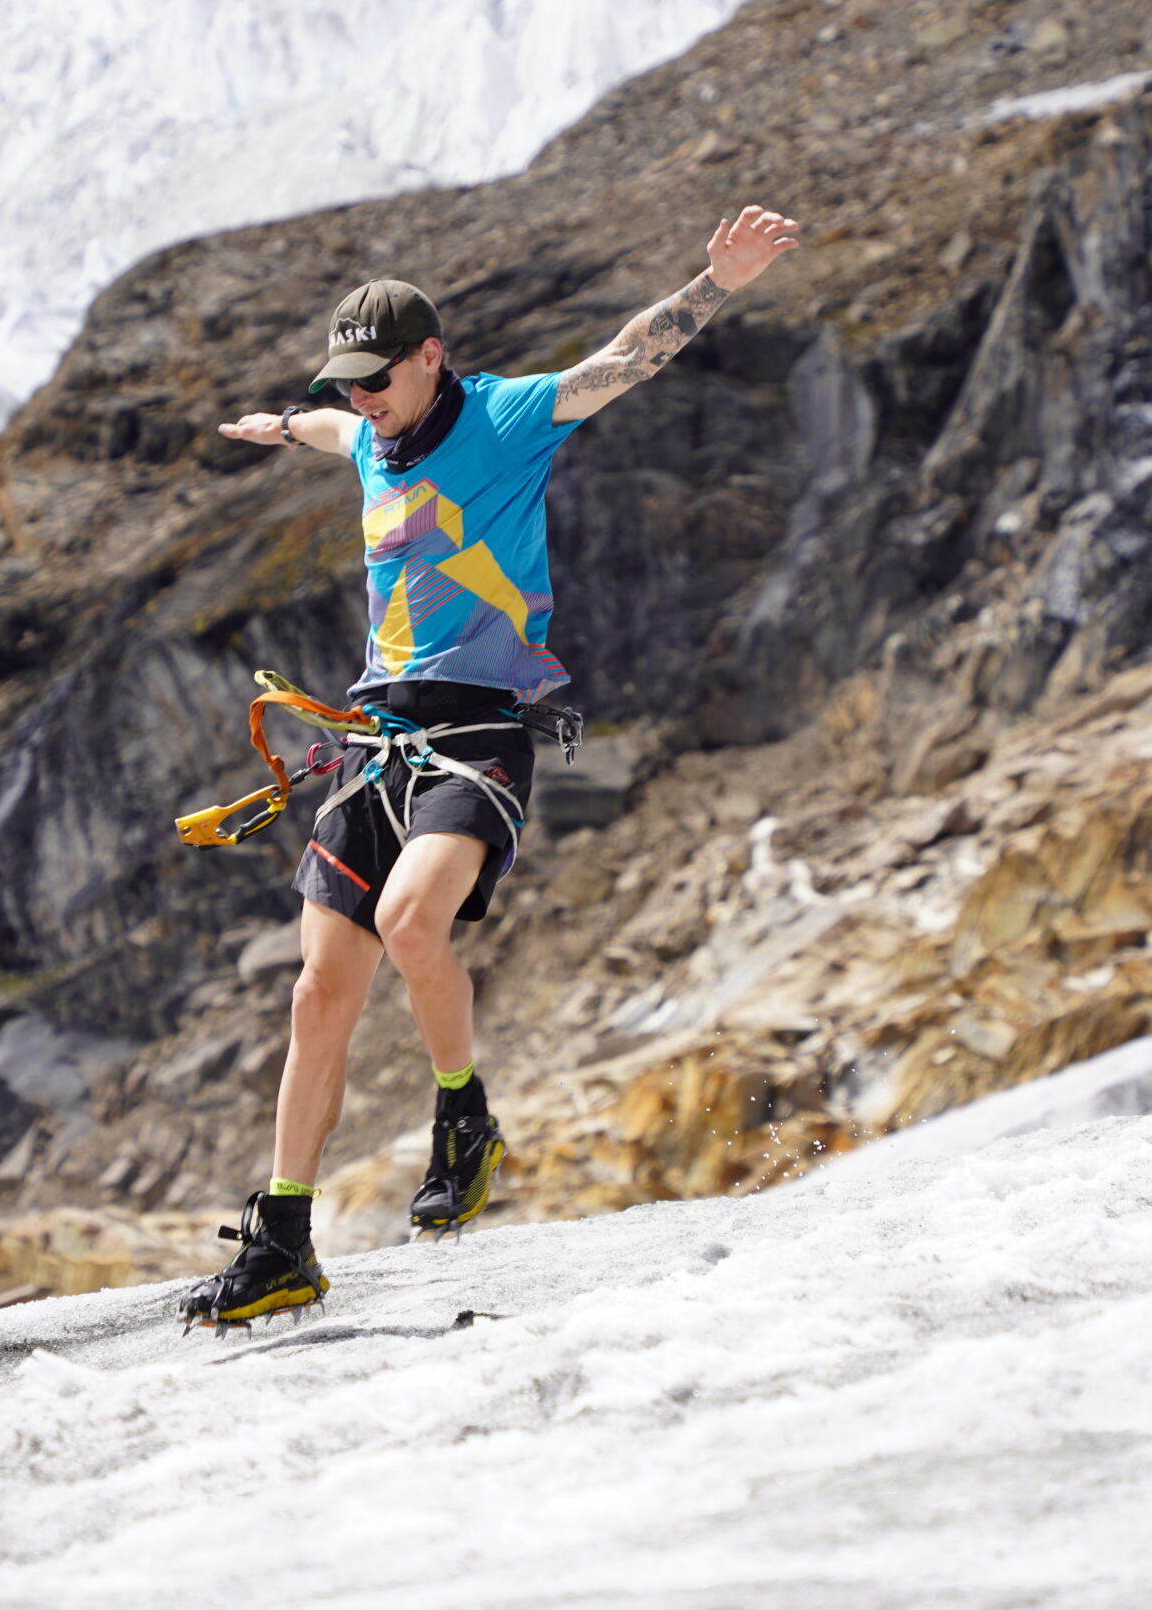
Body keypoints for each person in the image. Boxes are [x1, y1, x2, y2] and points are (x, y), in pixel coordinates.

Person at [181, 205, 803, 1331]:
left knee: (415, 924)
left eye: (376, 379)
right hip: (374, 740)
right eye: (346, 384)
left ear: (432, 358)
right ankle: (282, 1238)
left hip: (475, 733)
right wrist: (278, 426)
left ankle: (462, 1119)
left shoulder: (508, 417)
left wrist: (714, 284)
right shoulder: (365, 431)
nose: (359, 400)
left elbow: (620, 362)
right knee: (319, 992)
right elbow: (331, 437)